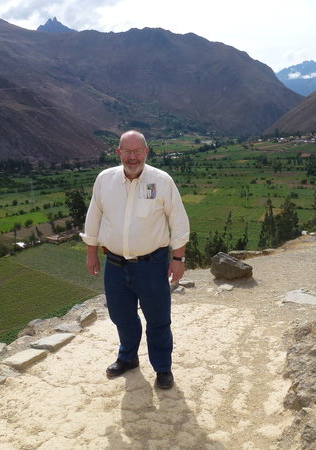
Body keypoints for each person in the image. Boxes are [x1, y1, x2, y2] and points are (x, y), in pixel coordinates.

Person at [80, 130, 190, 389]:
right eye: (127, 151)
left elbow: (179, 221)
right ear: (119, 152)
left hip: (152, 265)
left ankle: (162, 368)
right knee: (121, 316)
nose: (132, 157)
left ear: (146, 152)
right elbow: (93, 216)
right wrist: (91, 252)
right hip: (116, 265)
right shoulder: (104, 180)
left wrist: (178, 258)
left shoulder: (162, 181)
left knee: (158, 319)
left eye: (137, 151)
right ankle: (128, 357)